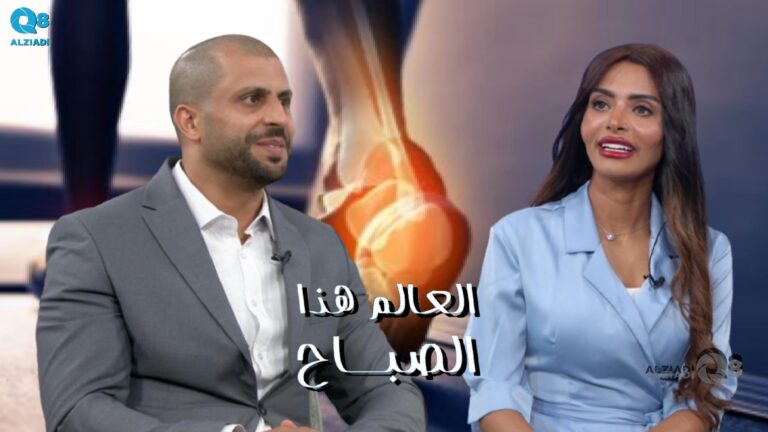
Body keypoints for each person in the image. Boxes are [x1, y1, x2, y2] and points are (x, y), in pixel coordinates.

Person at [36, 35, 425, 432]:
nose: (279, 118)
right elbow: (77, 410)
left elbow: (388, 389)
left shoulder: (321, 244)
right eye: (253, 99)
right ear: (190, 122)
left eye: (284, 101)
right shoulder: (95, 239)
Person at [464, 44, 736, 432]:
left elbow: (709, 384)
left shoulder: (710, 251)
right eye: (601, 104)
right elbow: (494, 386)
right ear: (583, 121)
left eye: (641, 109)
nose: (615, 121)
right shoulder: (517, 237)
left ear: (672, 131)